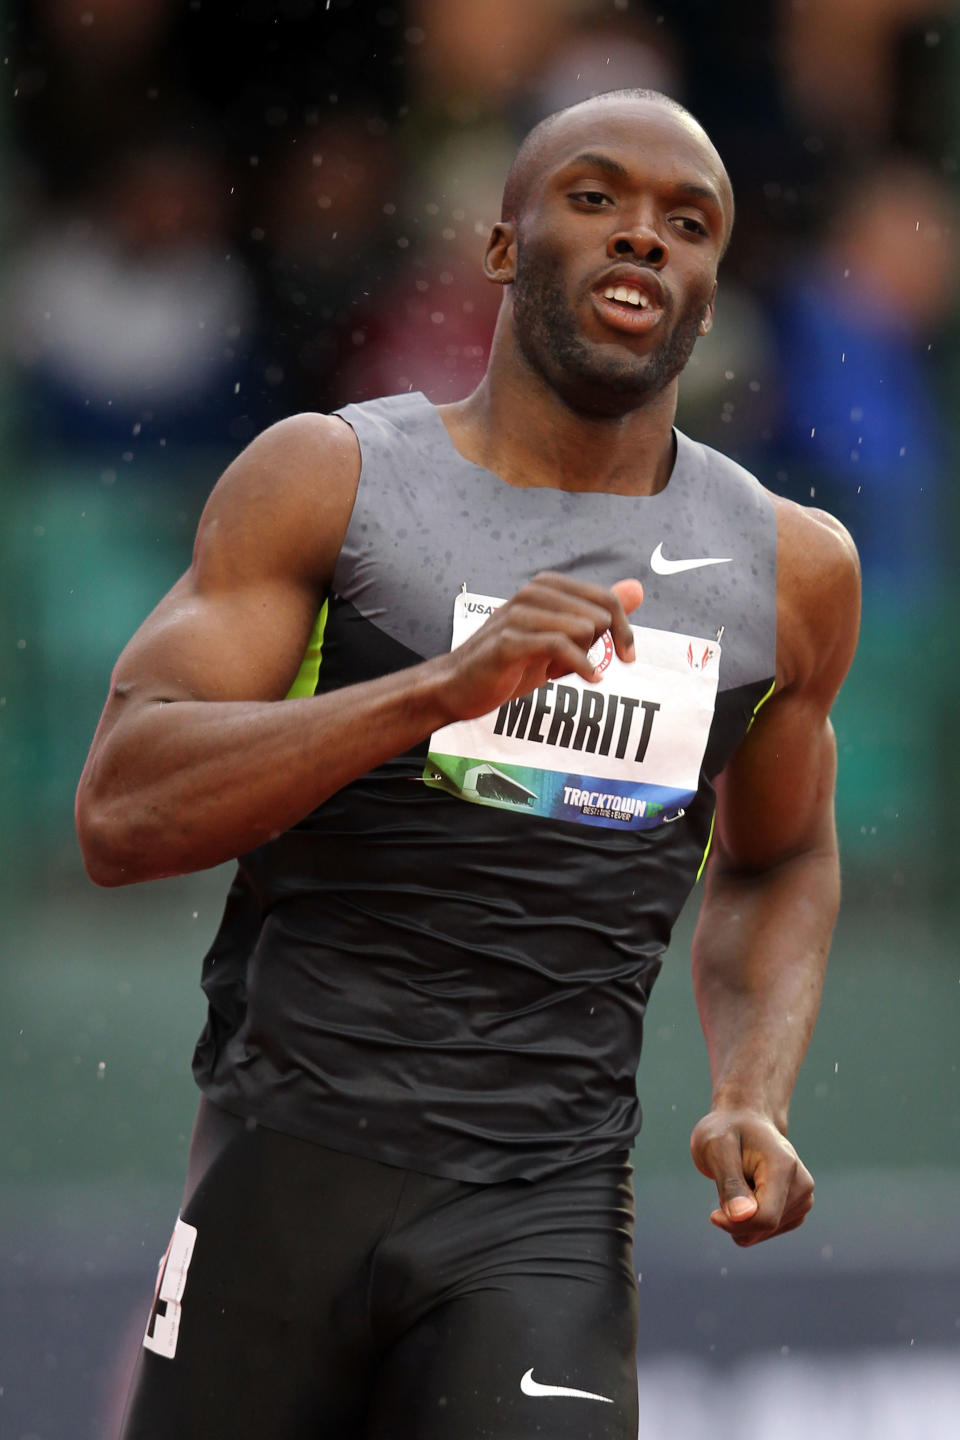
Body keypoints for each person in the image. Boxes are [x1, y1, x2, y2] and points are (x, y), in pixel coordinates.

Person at [77, 89, 860, 1440]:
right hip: (284, 1169)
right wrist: (434, 692)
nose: (643, 240)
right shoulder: (332, 481)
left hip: (541, 1207)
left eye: (688, 224)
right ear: (502, 248)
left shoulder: (788, 570)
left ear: (711, 297)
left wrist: (752, 1091)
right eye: (596, 198)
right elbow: (122, 810)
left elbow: (781, 852)